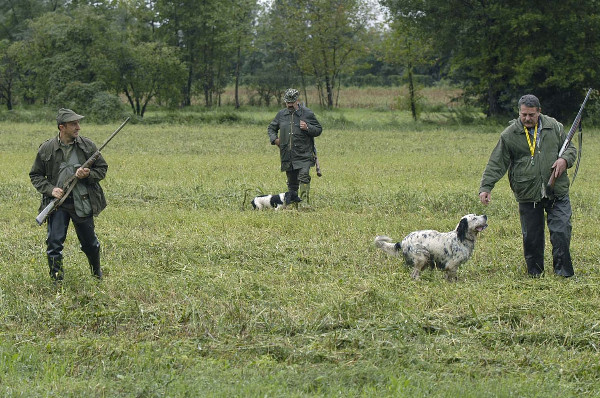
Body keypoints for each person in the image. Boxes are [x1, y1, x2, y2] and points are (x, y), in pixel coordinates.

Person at [479, 94, 577, 278]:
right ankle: (535, 274)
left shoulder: (554, 126)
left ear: (539, 112)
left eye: (531, 114)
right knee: (531, 238)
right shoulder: (509, 134)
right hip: (527, 193)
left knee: (561, 232)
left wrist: (564, 159)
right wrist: (486, 187)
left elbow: (571, 148)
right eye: (523, 114)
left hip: (557, 191)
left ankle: (563, 274)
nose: (527, 119)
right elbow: (497, 162)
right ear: (519, 112)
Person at [30, 108, 108, 281]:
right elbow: (35, 175)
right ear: (61, 127)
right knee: (54, 244)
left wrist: (88, 174)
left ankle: (97, 276)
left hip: (83, 202)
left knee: (90, 244)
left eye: (78, 123)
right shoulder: (46, 148)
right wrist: (51, 190)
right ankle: (57, 282)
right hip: (58, 204)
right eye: (74, 124)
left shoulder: (88, 146)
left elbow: (102, 169)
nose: (78, 127)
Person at [268, 88, 322, 208]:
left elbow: (318, 129)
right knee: (292, 183)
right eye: (288, 102)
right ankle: (293, 203)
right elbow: (271, 128)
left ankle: (304, 204)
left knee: (304, 177)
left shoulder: (307, 113)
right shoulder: (281, 114)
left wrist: (308, 127)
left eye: (292, 102)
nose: (290, 105)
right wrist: (275, 140)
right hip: (288, 155)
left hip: (304, 155)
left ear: (297, 100)